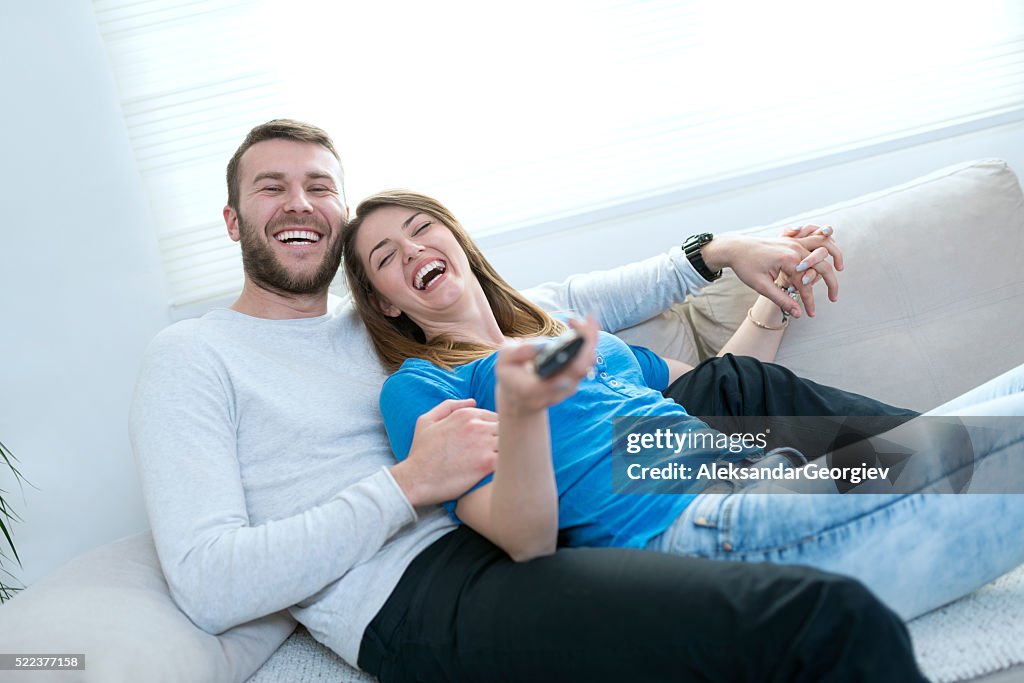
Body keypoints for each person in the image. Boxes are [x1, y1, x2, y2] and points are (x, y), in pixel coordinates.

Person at [131, 119, 928, 682]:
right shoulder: (195, 355)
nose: (299, 201)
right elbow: (207, 583)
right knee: (822, 616)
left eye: (319, 186)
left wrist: (715, 252)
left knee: (728, 384)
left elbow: (555, 307)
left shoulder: (383, 325)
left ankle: (942, 460)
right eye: (273, 188)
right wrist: (406, 483)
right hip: (423, 592)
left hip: (543, 517)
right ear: (234, 221)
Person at [344, 188, 1024, 623]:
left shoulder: (569, 338)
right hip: (708, 530)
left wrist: (773, 301)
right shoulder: (420, 386)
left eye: (422, 228)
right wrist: (522, 410)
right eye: (386, 255)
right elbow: (526, 539)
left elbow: (717, 380)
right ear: (382, 300)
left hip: (768, 477)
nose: (414, 250)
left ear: (457, 239)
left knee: (993, 414)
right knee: (988, 448)